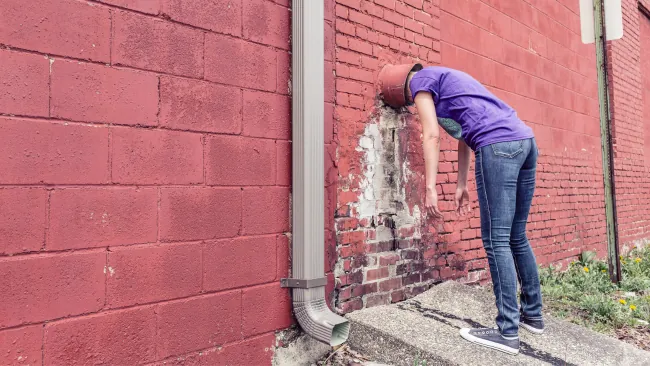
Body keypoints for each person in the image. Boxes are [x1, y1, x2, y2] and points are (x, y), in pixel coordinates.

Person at [380, 64, 544, 355]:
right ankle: (533, 314)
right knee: (517, 235)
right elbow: (464, 134)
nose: (414, 105)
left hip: (498, 145)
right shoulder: (451, 81)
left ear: (405, 88)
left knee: (497, 240)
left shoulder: (420, 83)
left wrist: (430, 187)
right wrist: (461, 183)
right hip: (525, 141)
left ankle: (507, 331)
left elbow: (431, 135)